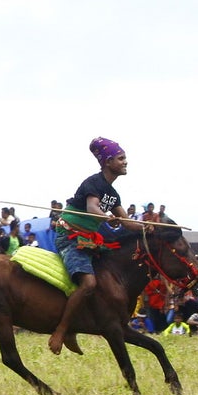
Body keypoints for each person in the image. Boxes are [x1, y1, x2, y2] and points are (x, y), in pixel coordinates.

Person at [48, 137, 153, 355]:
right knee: (88, 283)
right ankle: (62, 330)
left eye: (124, 158)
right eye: (120, 158)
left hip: (89, 240)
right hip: (69, 237)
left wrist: (145, 227)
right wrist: (106, 218)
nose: (125, 162)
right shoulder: (93, 183)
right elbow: (92, 207)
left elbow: (126, 222)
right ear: (107, 162)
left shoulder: (113, 195)